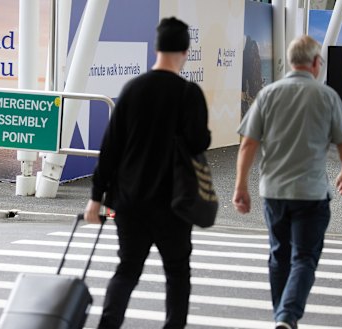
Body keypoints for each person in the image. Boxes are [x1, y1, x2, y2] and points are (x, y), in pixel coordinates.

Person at [84, 17, 211, 329]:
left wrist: (95, 199)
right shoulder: (189, 94)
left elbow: (109, 148)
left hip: (130, 201)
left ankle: (108, 325)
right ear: (185, 49)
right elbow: (199, 142)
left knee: (127, 269)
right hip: (175, 203)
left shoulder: (133, 89)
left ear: (157, 47)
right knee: (178, 272)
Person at [233, 35, 342, 329]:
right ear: (315, 62)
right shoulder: (326, 96)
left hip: (274, 193)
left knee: (279, 255)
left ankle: (283, 318)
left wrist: (240, 186)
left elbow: (248, 144)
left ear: (291, 62)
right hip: (311, 194)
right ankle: (286, 317)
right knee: (303, 258)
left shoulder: (268, 94)